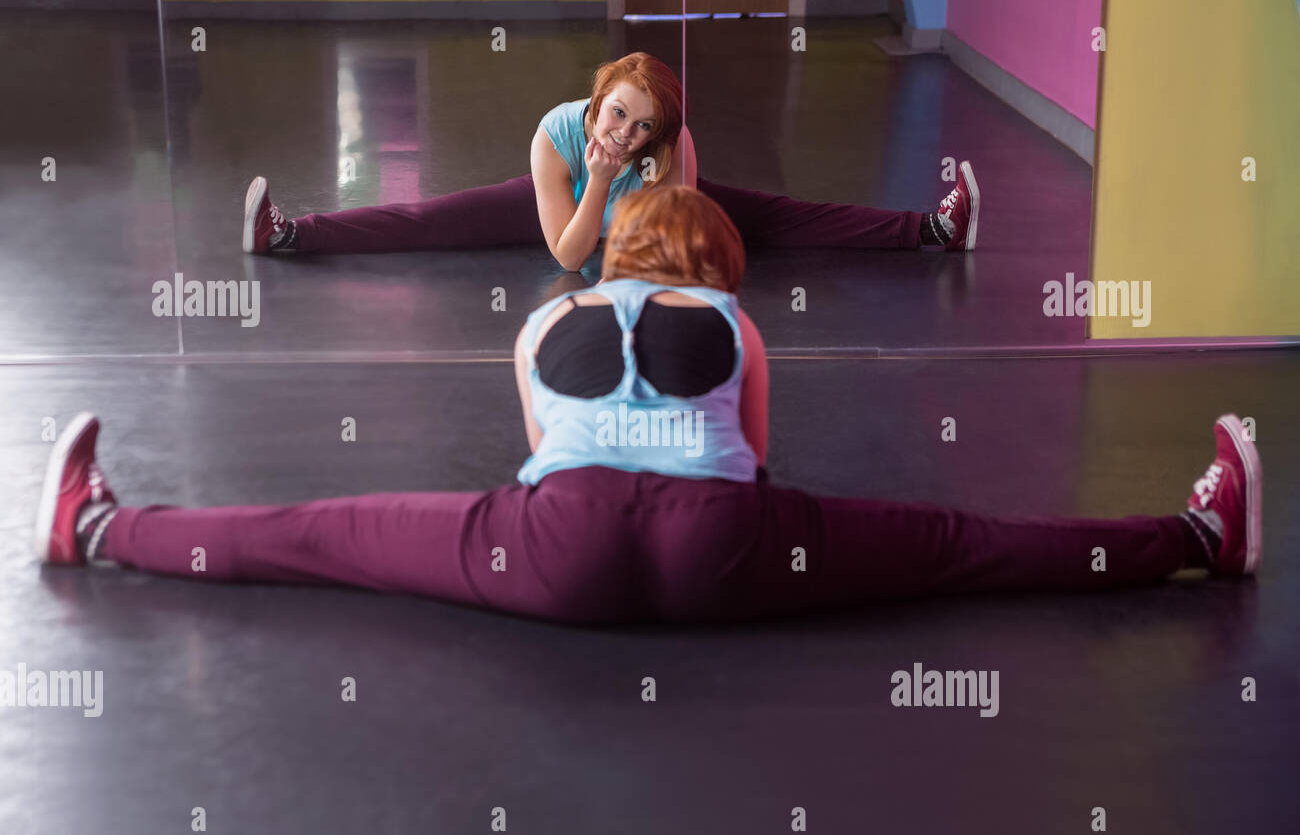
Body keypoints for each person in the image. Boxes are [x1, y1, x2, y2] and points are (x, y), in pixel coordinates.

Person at [37, 186, 1258, 626]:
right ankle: (1200, 540)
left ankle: (94, 531)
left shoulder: (543, 321)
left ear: (615, 248)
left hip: (553, 546)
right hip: (720, 544)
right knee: (960, 547)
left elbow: (540, 454)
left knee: (326, 530)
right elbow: (756, 457)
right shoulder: (733, 320)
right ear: (713, 262)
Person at [241, 51, 978, 271]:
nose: (622, 130)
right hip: (565, 195)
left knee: (781, 218)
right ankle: (290, 235)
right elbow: (570, 256)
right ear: (598, 100)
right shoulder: (556, 135)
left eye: (641, 127)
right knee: (429, 217)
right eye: (616, 111)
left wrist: (639, 193)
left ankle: (930, 232)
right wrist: (595, 179)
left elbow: (649, 260)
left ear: (659, 138)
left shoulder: (670, 152)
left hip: (635, 212)